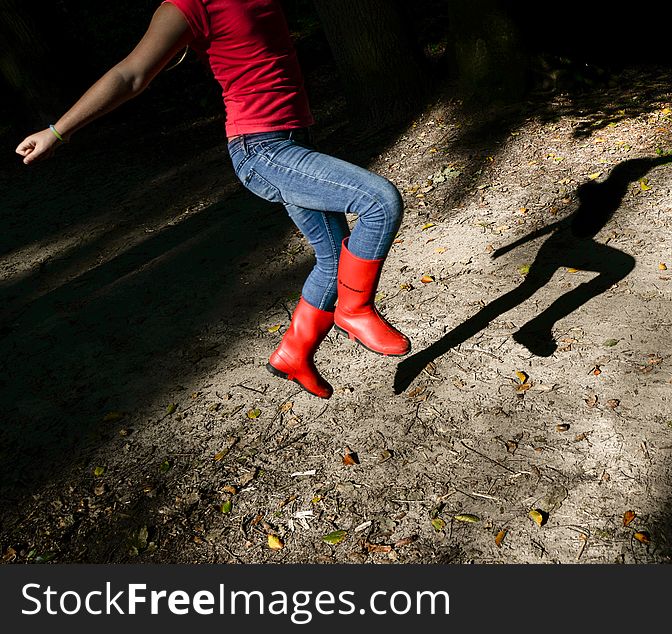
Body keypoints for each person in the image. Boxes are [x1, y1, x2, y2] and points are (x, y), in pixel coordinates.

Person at [15, 0, 411, 399]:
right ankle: (354, 310)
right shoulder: (190, 4)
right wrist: (58, 131)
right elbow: (130, 75)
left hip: (295, 142)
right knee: (379, 202)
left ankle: (294, 353)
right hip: (262, 150)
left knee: (331, 260)